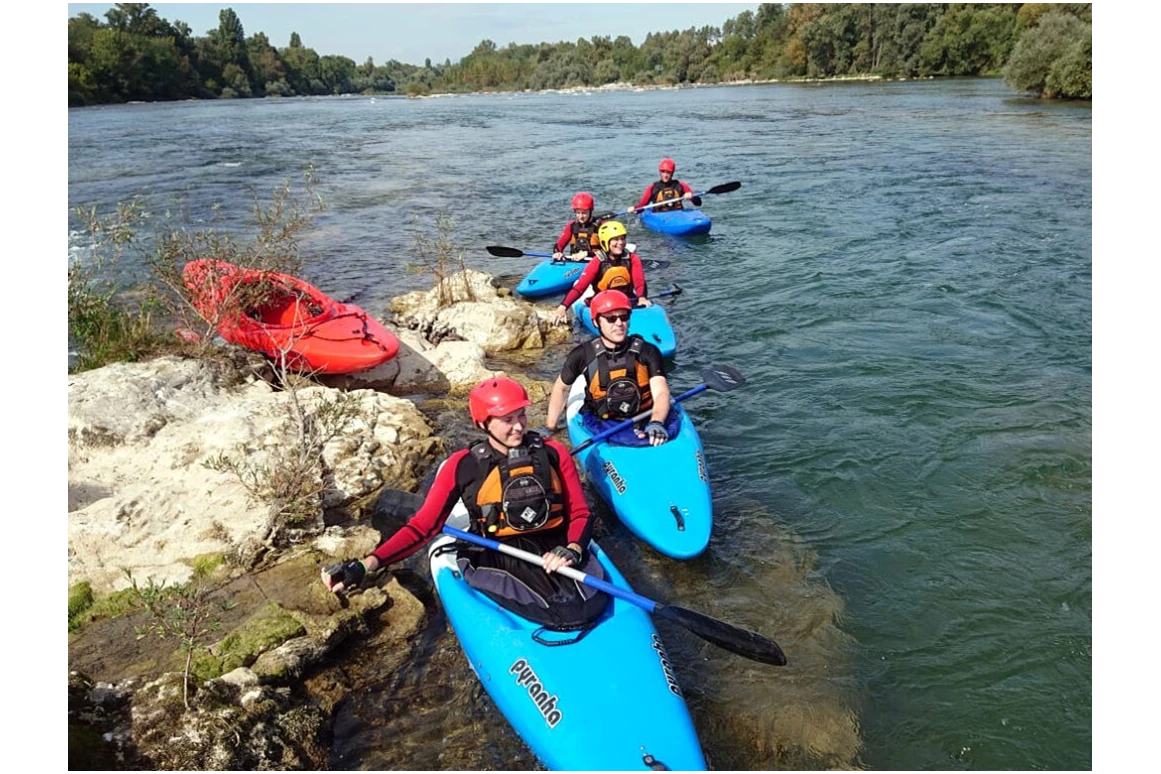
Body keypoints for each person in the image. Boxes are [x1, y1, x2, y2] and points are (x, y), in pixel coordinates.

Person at [322, 377, 608, 630]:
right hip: (498, 555)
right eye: (507, 420)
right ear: (483, 422)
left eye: (521, 415)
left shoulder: (553, 452)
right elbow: (423, 527)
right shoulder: (463, 466)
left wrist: (572, 549)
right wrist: (366, 564)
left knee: (584, 606)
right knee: (560, 610)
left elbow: (580, 512)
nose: (519, 426)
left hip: (554, 547)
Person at [544, 289, 674, 448]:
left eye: (624, 317)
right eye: (611, 318)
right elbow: (561, 388)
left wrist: (657, 421)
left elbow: (661, 391)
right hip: (604, 422)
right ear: (596, 322)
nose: (619, 323)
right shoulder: (582, 355)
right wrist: (551, 429)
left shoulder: (648, 351)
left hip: (648, 417)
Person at [550, 220, 652, 326]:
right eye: (616, 239)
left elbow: (639, 281)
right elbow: (580, 288)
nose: (621, 243)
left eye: (622, 238)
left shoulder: (633, 258)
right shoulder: (597, 261)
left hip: (628, 301)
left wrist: (642, 298)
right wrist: (563, 307)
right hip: (604, 304)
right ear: (605, 242)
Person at [627, 158, 701, 215]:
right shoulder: (653, 187)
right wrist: (634, 209)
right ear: (660, 171)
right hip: (659, 215)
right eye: (663, 172)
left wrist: (692, 197)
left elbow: (698, 203)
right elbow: (642, 206)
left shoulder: (680, 185)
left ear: (672, 172)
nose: (665, 175)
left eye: (668, 172)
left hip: (678, 214)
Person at [551, 192, 603, 262]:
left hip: (595, 263)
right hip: (575, 264)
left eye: (584, 213)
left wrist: (588, 254)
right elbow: (559, 246)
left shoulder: (601, 227)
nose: (580, 217)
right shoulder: (571, 226)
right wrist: (557, 253)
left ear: (590, 211)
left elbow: (610, 253)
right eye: (578, 213)